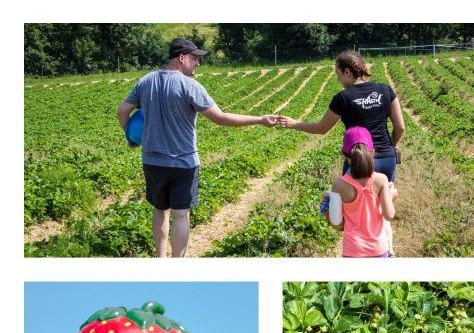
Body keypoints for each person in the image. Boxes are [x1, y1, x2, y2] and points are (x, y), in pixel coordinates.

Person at [116, 38, 278, 258]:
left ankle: (159, 258)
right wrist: (259, 119)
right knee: (181, 215)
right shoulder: (190, 86)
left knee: (159, 210)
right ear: (182, 58)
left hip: (152, 161)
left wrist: (132, 138)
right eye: (195, 58)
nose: (198, 64)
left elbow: (122, 111)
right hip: (183, 163)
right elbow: (221, 118)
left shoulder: (146, 81)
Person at [277, 50, 405, 182]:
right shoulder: (386, 90)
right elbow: (400, 127)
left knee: (352, 196)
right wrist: (392, 144)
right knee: (385, 194)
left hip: (358, 161)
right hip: (386, 159)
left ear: (347, 72)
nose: (338, 79)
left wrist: (294, 124)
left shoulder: (343, 97)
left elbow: (321, 128)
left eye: (338, 74)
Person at [327, 127, 396, 258]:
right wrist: (391, 196)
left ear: (345, 155)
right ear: (373, 152)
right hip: (378, 249)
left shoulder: (338, 185)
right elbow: (389, 215)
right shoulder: (381, 180)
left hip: (352, 250)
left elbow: (335, 221)